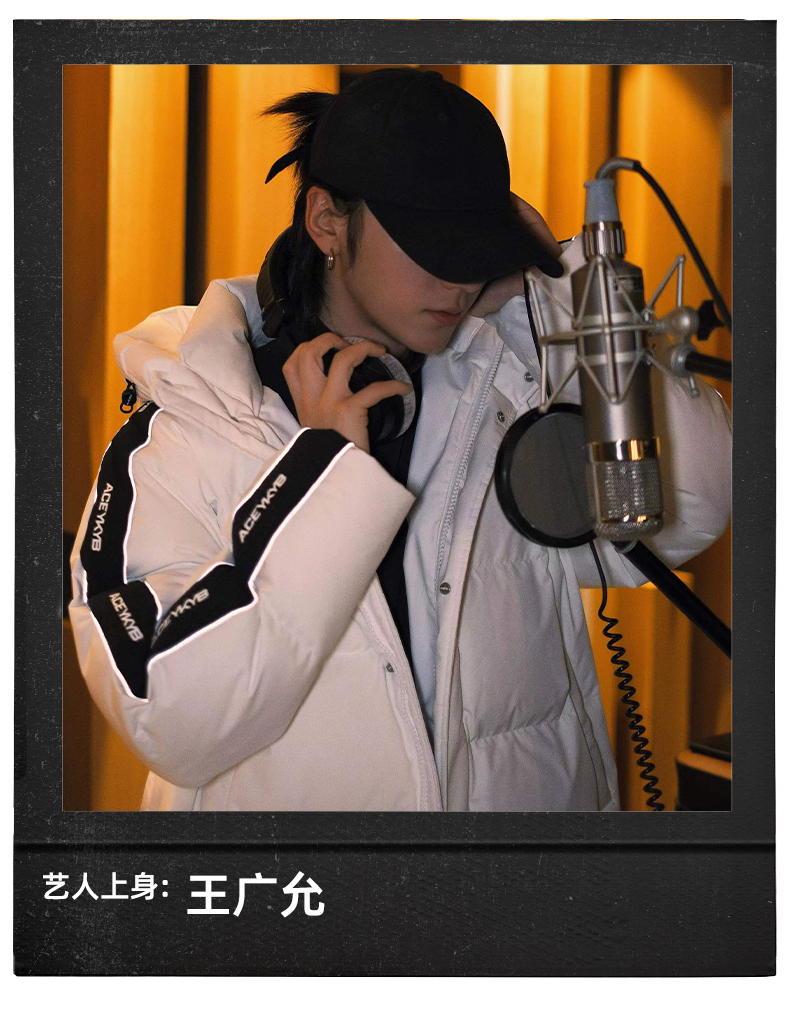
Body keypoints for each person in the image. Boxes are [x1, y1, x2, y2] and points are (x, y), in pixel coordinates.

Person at [69, 68, 731, 812]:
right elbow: (173, 723)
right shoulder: (184, 427)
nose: (459, 278)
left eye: (475, 244)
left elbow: (686, 512)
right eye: (432, 243)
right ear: (327, 220)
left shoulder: (511, 389)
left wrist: (563, 306)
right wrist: (321, 478)